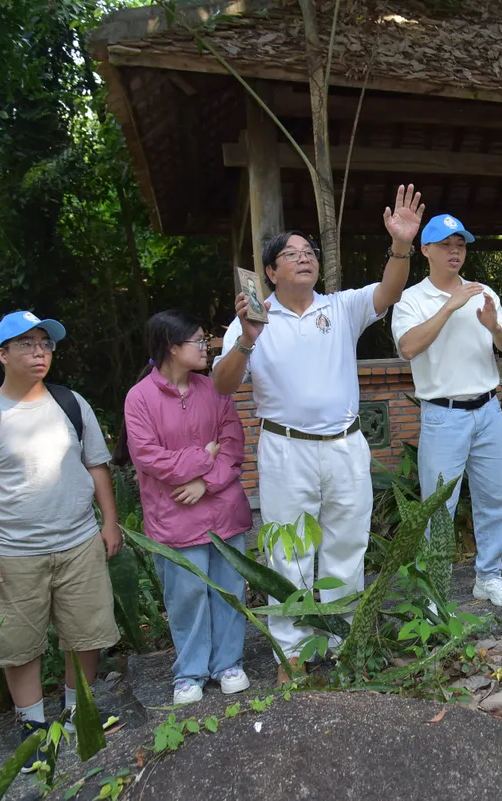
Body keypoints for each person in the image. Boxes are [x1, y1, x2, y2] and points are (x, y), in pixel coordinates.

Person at [212, 186, 420, 682]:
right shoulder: (251, 322)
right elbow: (223, 385)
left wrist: (401, 245)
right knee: (289, 553)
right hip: (286, 449)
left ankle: (342, 642)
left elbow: (388, 292)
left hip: (346, 446)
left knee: (347, 545)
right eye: (291, 254)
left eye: (309, 253)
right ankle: (295, 655)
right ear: (270, 272)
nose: (304, 259)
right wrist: (246, 339)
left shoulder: (340, 307)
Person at [0, 311, 120, 771]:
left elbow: (97, 466)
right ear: (2, 354)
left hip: (78, 541)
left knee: (86, 632)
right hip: (12, 550)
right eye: (27, 344)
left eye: (46, 344)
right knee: (20, 642)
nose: (39, 352)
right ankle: (34, 729)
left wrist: (110, 523)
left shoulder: (71, 402)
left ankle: (77, 714)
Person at [118, 311, 253, 704]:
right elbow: (147, 457)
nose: (206, 347)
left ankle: (229, 663)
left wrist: (204, 480)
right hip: (175, 515)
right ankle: (190, 672)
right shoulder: (139, 397)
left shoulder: (214, 389)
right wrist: (201, 457)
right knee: (187, 594)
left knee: (229, 589)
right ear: (172, 348)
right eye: (197, 341)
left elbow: (232, 443)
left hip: (222, 509)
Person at [390, 214, 502, 608]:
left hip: (488, 410)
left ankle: (489, 576)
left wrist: (494, 326)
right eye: (446, 244)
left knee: (496, 496)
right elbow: (408, 347)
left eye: (460, 245)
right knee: (439, 505)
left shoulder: (484, 292)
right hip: (443, 415)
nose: (455, 251)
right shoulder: (411, 299)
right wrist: (450, 306)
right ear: (425, 250)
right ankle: (435, 588)